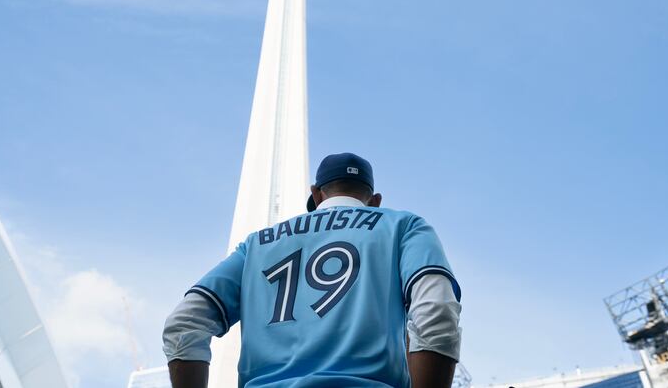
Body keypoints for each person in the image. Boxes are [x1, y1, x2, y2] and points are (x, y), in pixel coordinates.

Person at [163, 152, 461, 387]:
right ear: (375, 201)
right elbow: (436, 311)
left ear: (316, 194)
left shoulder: (255, 245)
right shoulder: (403, 226)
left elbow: (183, 324)